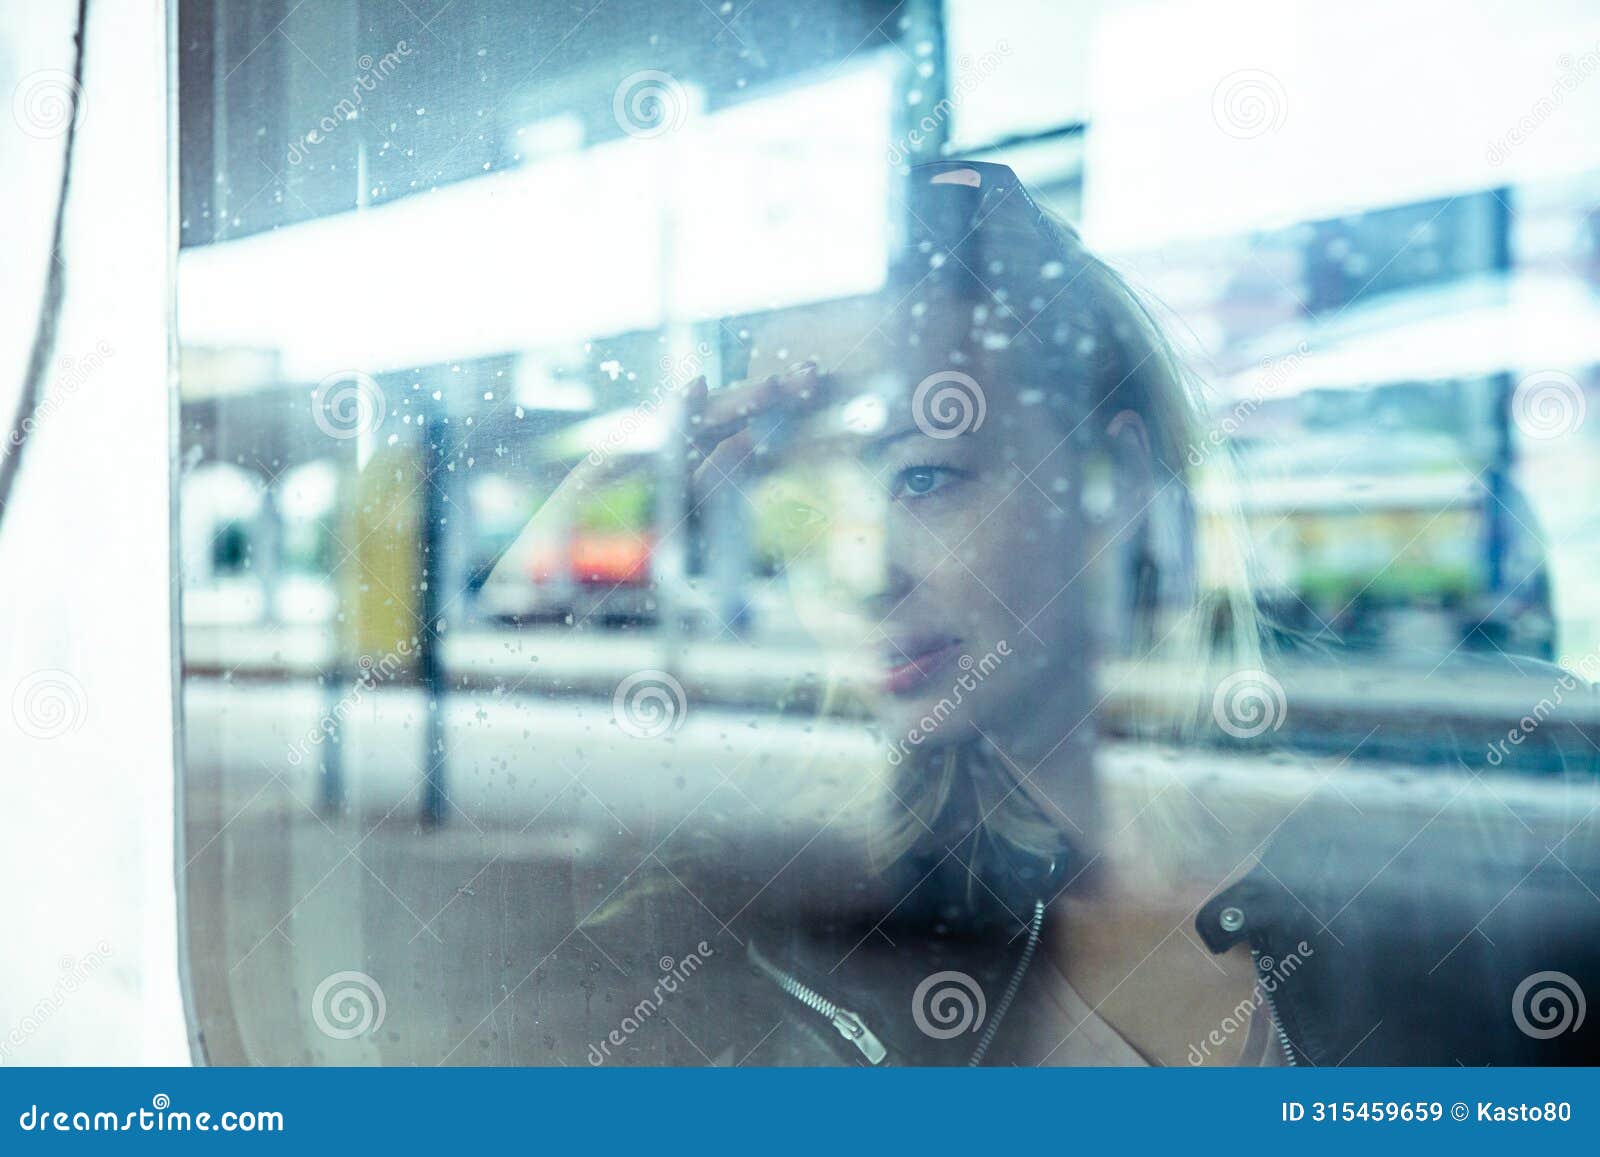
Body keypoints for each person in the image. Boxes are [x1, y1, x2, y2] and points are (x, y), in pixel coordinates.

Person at [580, 161, 1600, 1066]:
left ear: (1114, 481)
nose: (854, 572)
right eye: (797, 512)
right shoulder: (849, 928)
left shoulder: (1511, 785)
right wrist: (625, 505)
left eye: (922, 476)